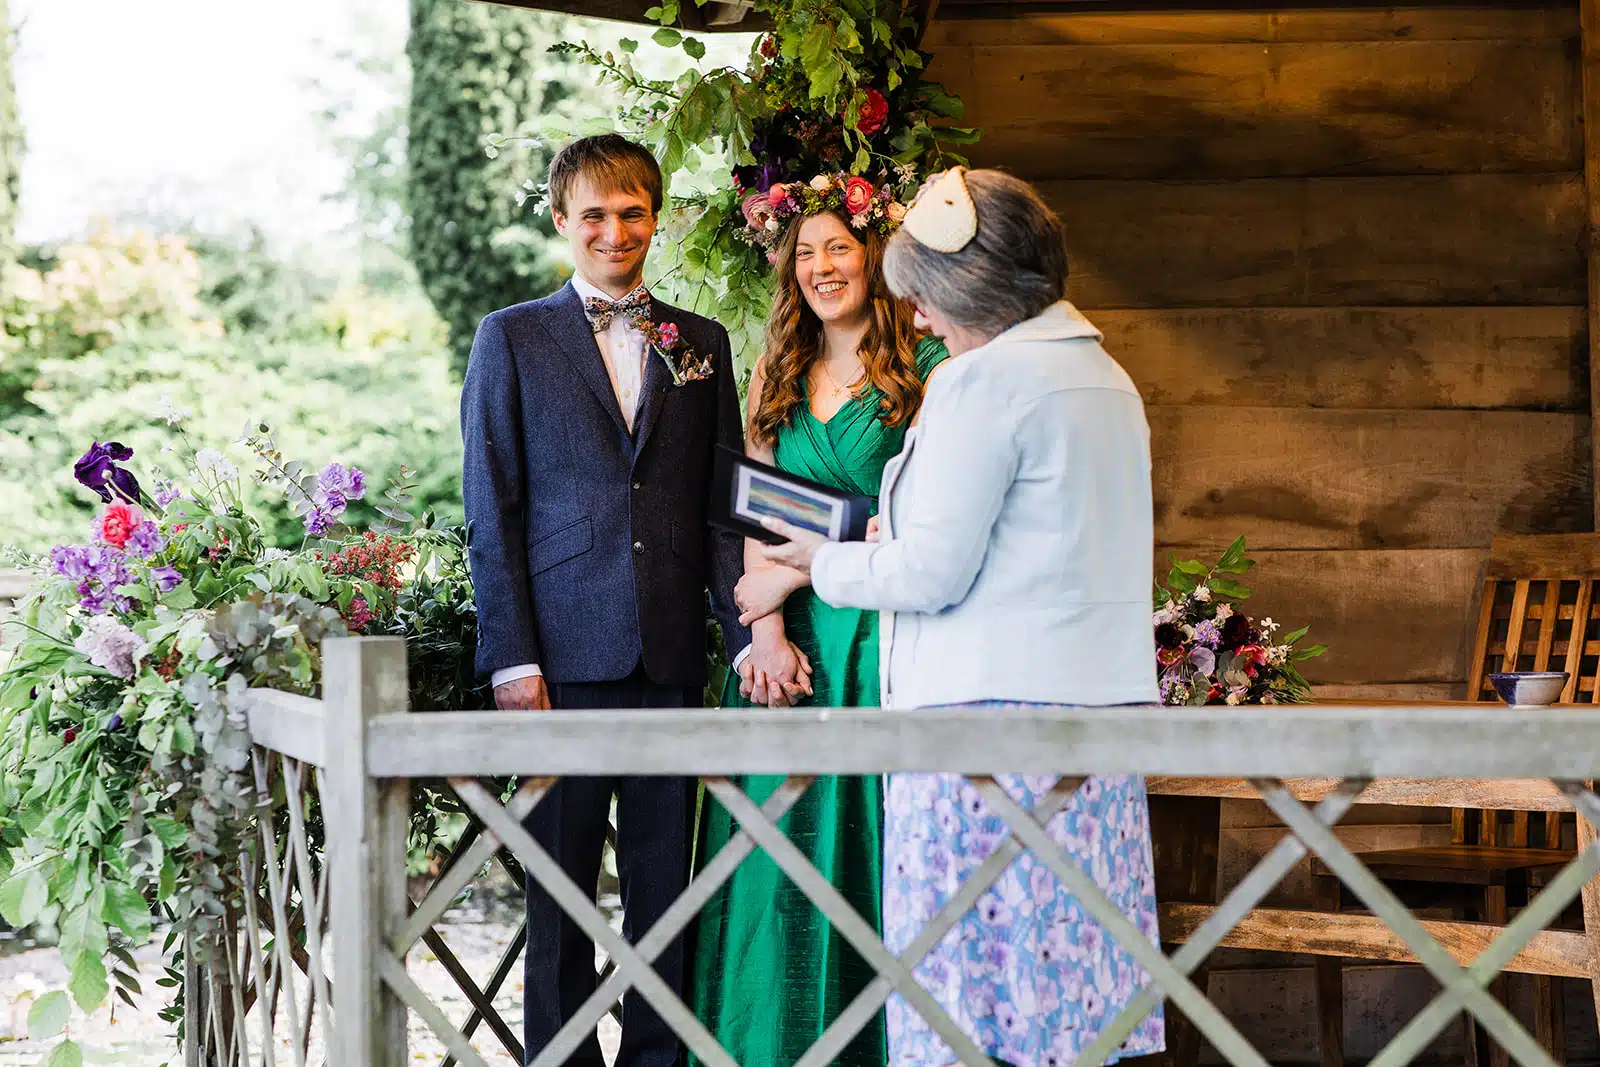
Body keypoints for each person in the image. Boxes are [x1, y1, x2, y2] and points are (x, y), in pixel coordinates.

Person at [759, 168, 1166, 1067]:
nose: (926, 323)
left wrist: (816, 562)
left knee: (972, 1006)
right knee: (1070, 998)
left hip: (986, 737)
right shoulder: (1107, 378)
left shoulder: (984, 382)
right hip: (1096, 729)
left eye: (930, 301)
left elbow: (932, 570)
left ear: (970, 288)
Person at [459, 133, 810, 1067]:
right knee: (560, 889)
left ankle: (658, 1061)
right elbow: (490, 506)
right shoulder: (512, 337)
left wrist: (748, 631)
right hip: (559, 663)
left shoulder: (699, 343)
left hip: (667, 657)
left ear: (655, 217)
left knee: (667, 886)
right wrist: (514, 657)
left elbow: (721, 502)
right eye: (594, 215)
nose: (615, 231)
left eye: (633, 212)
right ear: (562, 221)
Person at [691, 173, 947, 1067]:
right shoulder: (777, 368)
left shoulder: (927, 363)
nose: (821, 265)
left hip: (876, 634)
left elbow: (923, 520)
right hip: (785, 636)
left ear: (874, 253)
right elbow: (759, 508)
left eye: (839, 245)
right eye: (805, 251)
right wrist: (761, 634)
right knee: (772, 852)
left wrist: (797, 585)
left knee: (867, 840)